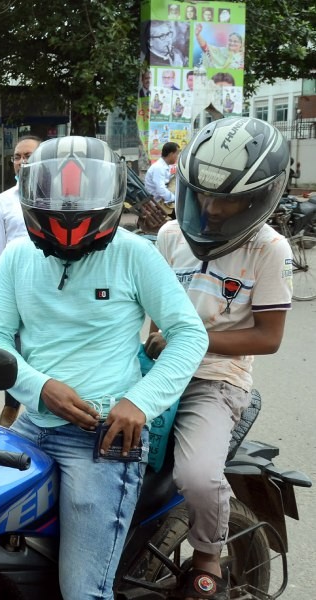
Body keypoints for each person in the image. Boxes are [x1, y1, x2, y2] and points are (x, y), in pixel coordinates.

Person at [0, 136, 208, 600]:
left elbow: (190, 335)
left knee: (82, 591)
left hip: (103, 438)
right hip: (29, 426)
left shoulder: (134, 253)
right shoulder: (19, 258)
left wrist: (138, 402)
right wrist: (40, 386)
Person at [144, 117, 292, 598]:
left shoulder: (269, 248)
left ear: (257, 199)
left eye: (226, 198)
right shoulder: (170, 236)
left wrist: (189, 340)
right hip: (159, 372)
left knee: (198, 478)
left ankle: (208, 555)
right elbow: (151, 314)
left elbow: (268, 337)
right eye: (202, 194)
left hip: (216, 379)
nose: (209, 207)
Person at [0, 135, 41, 427]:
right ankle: (11, 405)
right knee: (12, 349)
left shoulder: (55, 197)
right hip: (15, 289)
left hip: (48, 288)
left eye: (28, 156)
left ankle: (42, 408)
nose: (21, 162)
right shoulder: (3, 202)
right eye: (17, 156)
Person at [145, 141, 180, 207]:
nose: (177, 157)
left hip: (161, 199)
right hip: (157, 202)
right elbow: (160, 189)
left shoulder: (163, 166)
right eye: (177, 154)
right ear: (171, 154)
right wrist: (174, 199)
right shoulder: (159, 167)